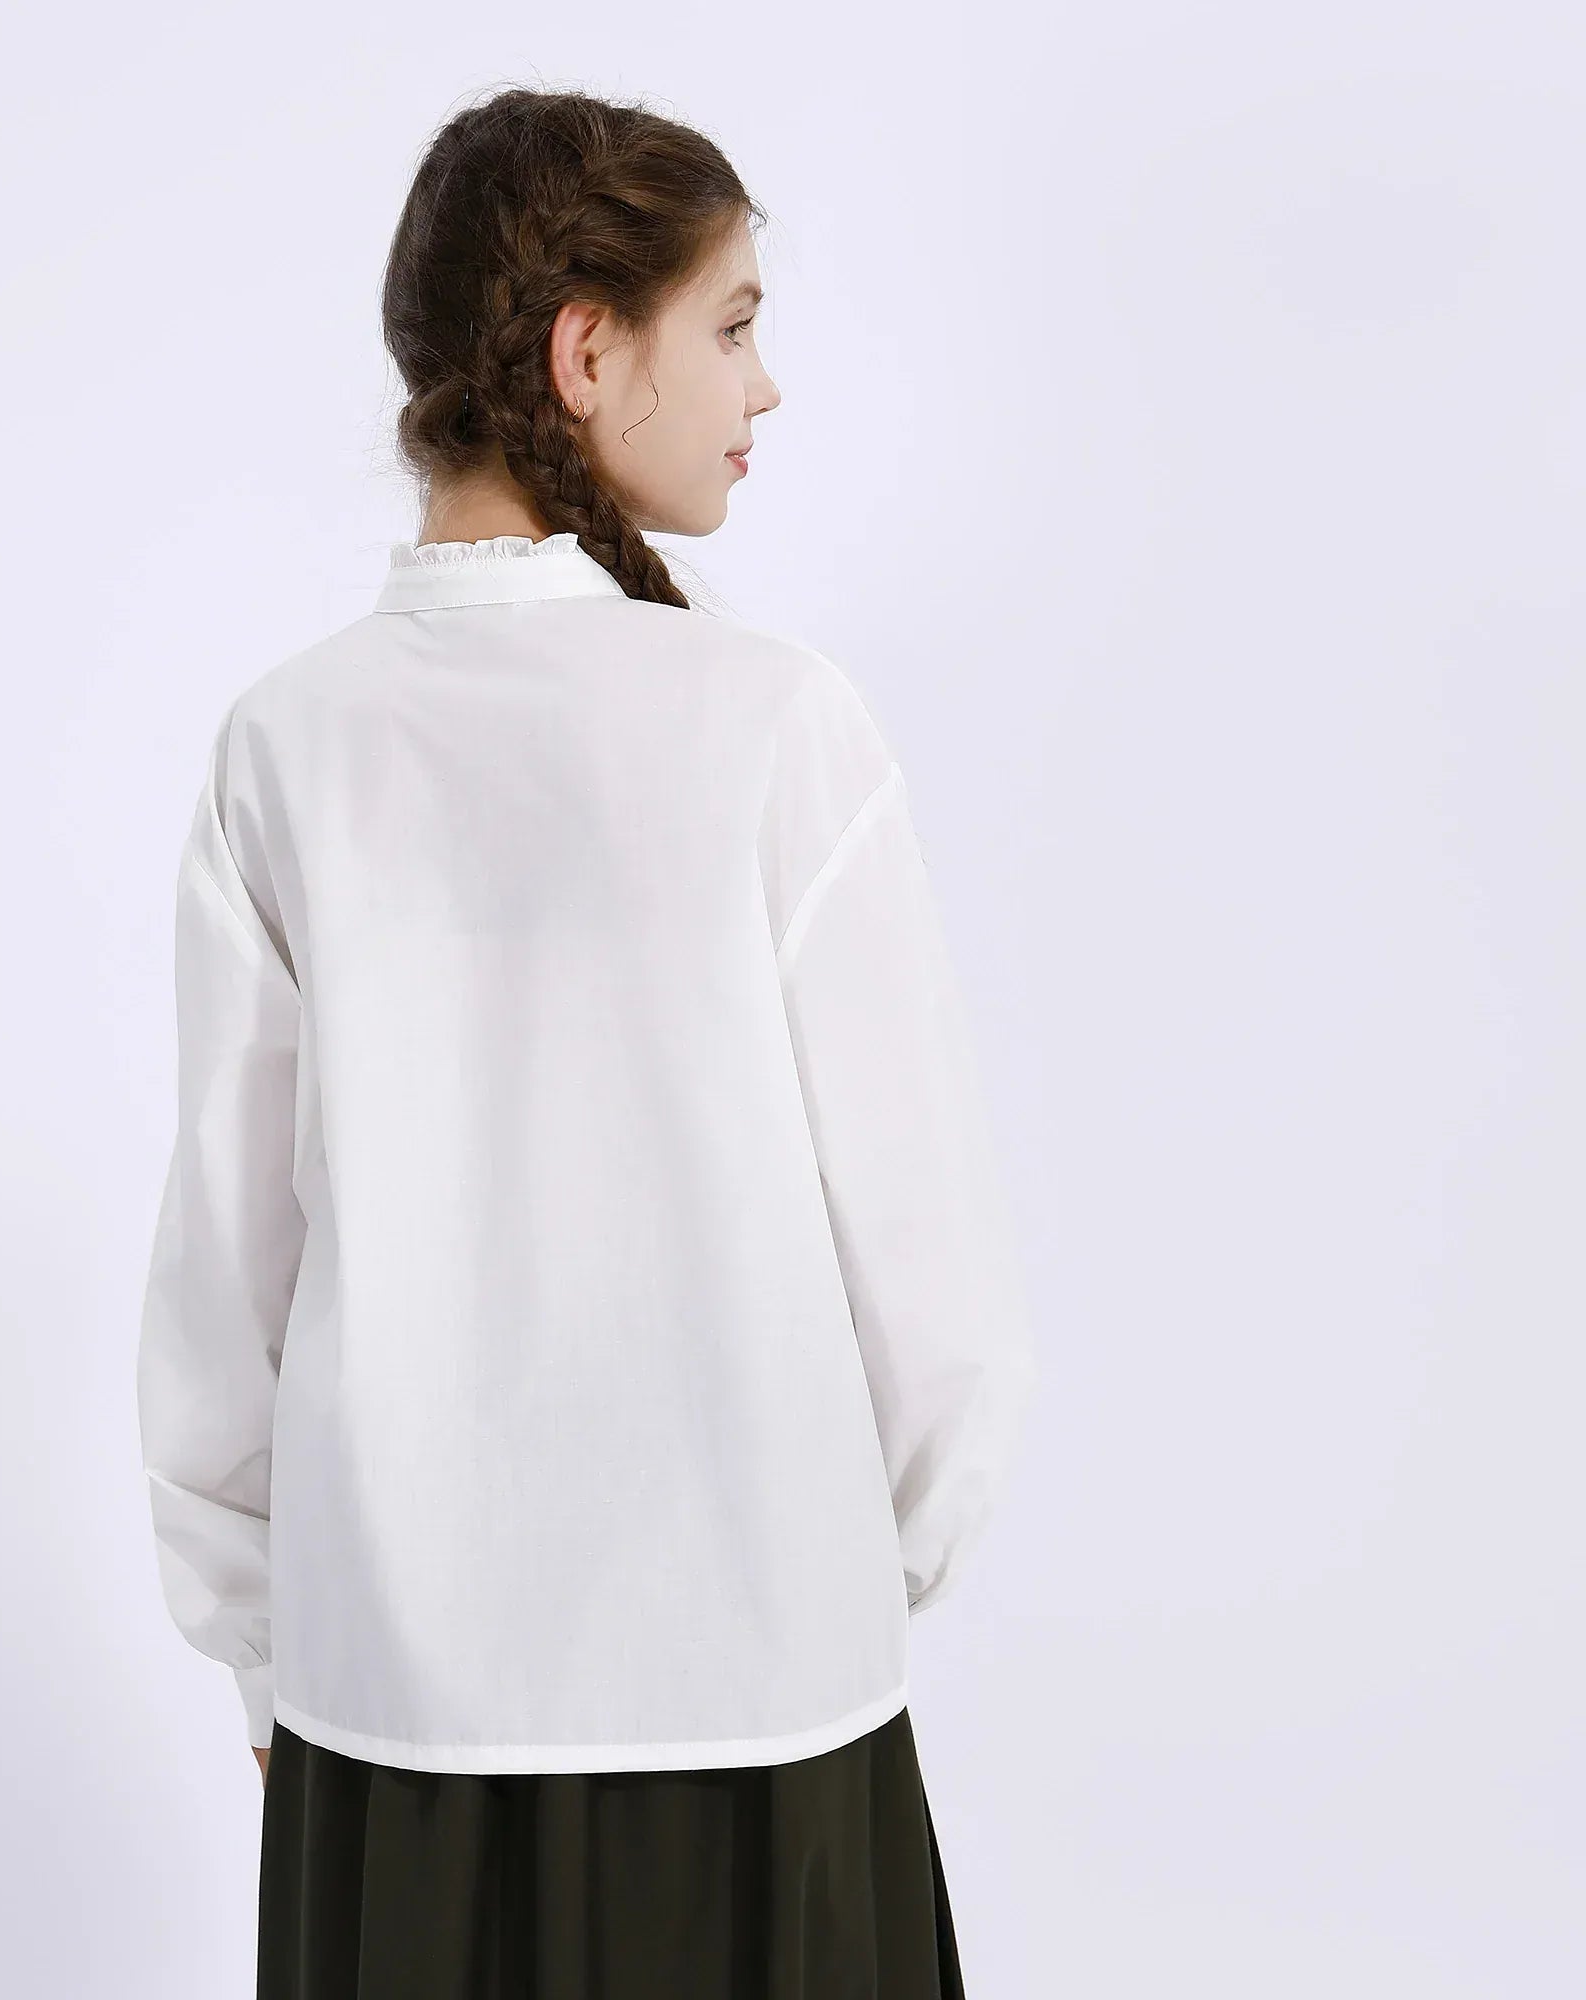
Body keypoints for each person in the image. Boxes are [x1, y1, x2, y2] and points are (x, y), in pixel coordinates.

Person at [136, 83, 1037, 2000]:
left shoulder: (286, 748)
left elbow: (228, 1295)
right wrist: (827, 1583)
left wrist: (272, 1650)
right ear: (585, 349)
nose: (765, 386)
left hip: (395, 1726)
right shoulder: (775, 724)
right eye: (734, 324)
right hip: (770, 1722)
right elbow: (932, 1287)